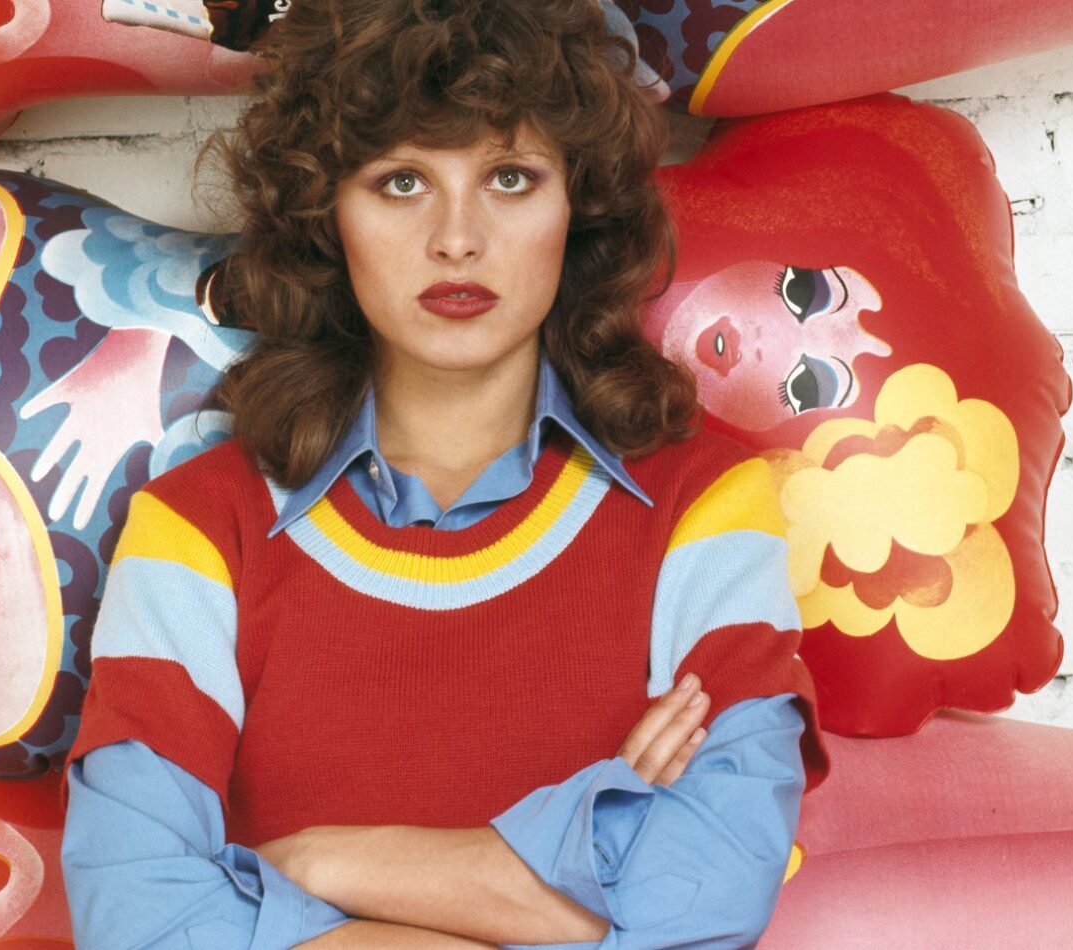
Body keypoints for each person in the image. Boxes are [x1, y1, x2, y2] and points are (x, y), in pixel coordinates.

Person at [60, 1, 827, 947]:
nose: (457, 238)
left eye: (510, 178)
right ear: (326, 214)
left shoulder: (701, 504)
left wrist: (322, 864)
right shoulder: (198, 528)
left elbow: (707, 906)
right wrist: (561, 887)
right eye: (400, 182)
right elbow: (138, 920)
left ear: (578, 204)